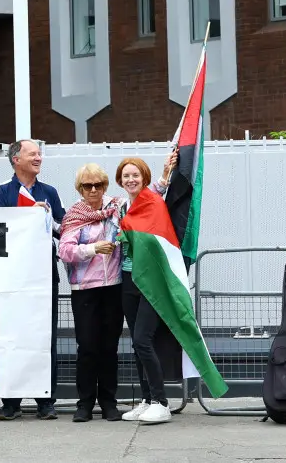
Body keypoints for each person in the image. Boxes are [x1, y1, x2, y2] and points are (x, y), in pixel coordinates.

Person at [0, 138, 63, 421]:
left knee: (46, 338)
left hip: (45, 276)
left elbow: (63, 229)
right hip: (13, 278)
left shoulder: (50, 192)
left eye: (40, 154)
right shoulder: (2, 192)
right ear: (16, 159)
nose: (38, 158)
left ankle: (46, 400)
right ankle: (11, 401)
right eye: (32, 153)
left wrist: (47, 218)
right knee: (12, 336)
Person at [59, 163, 124, 423]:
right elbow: (64, 251)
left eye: (99, 184)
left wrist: (164, 177)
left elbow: (145, 196)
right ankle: (84, 404)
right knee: (87, 347)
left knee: (109, 347)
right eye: (88, 185)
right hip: (84, 289)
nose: (94, 189)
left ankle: (109, 403)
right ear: (80, 189)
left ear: (106, 186)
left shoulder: (117, 208)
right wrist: (93, 248)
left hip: (113, 287)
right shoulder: (74, 215)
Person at [115, 153, 176, 425]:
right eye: (126, 176)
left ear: (144, 178)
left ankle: (161, 402)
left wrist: (165, 172)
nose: (130, 179)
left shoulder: (151, 201)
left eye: (135, 175)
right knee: (137, 344)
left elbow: (160, 187)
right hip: (128, 280)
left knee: (143, 339)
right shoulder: (118, 207)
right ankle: (146, 399)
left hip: (150, 280)